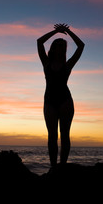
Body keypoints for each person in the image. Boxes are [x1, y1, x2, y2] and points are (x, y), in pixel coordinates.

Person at [37, 23, 84, 167]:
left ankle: (62, 165)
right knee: (52, 136)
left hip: (65, 101)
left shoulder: (68, 64)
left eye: (62, 45)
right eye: (57, 44)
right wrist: (56, 32)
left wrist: (69, 32)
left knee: (65, 135)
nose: (59, 47)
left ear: (64, 49)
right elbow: (39, 42)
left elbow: (81, 46)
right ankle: (53, 166)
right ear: (53, 48)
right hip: (49, 100)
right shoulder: (46, 63)